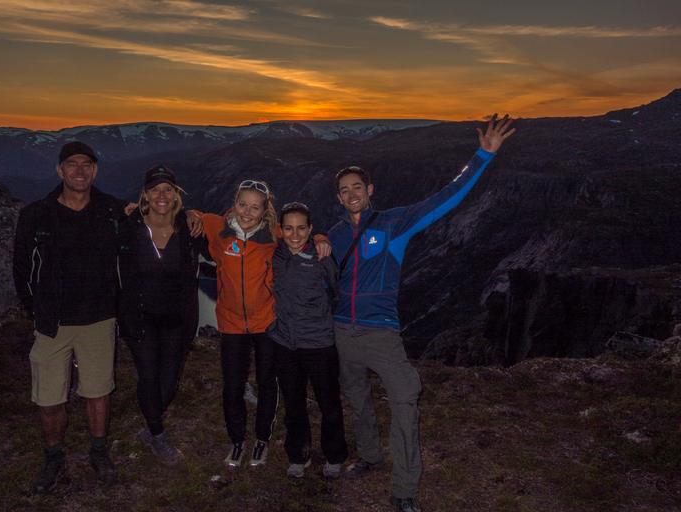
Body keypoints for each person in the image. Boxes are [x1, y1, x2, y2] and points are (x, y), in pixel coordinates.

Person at [329, 114, 515, 512]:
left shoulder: (394, 223)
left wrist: (482, 156)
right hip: (342, 331)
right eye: (344, 191)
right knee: (357, 399)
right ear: (339, 197)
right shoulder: (333, 234)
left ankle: (405, 488)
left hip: (380, 333)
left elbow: (445, 199)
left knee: (404, 401)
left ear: (369, 190)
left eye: (356, 187)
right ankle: (370, 456)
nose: (351, 194)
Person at [193, 181, 331, 469]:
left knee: (268, 381)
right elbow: (189, 214)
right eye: (243, 204)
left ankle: (262, 439)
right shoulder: (217, 227)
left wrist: (319, 236)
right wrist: (188, 214)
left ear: (264, 209)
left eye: (255, 207)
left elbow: (301, 232)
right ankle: (237, 440)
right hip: (231, 322)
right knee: (232, 386)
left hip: (267, 322)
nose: (247, 212)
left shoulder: (274, 234)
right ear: (235, 201)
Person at [13, 141, 124, 493]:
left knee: (97, 392)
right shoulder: (36, 215)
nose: (80, 171)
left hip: (99, 319)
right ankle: (53, 457)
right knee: (49, 398)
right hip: (52, 323)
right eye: (72, 164)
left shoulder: (110, 210)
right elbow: (21, 269)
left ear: (95, 171)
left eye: (87, 165)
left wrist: (195, 216)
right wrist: (35, 310)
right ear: (59, 170)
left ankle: (98, 452)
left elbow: (154, 217)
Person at [117, 165, 205, 466]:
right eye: (155, 189)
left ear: (177, 194)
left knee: (169, 381)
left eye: (168, 189)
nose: (162, 195)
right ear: (145, 194)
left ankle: (151, 419)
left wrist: (198, 215)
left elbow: (232, 232)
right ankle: (156, 434)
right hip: (139, 318)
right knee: (149, 376)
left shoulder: (190, 229)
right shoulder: (129, 226)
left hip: (177, 320)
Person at [267, 202, 348, 479]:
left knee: (328, 402)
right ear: (280, 229)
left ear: (311, 229)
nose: (294, 234)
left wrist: (322, 242)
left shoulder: (321, 256)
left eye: (301, 228)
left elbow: (337, 290)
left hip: (318, 342)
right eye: (288, 228)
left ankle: (335, 455)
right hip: (284, 343)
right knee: (293, 403)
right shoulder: (275, 254)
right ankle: (298, 456)